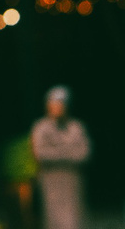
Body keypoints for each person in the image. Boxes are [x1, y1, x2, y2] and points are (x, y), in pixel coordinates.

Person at [31, 87, 90, 229]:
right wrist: (67, 151)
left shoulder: (76, 127)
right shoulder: (41, 128)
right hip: (51, 182)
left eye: (60, 104)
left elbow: (84, 153)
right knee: (54, 220)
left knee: (73, 220)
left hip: (72, 180)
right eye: (53, 104)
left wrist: (57, 151)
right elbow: (40, 154)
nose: (57, 108)